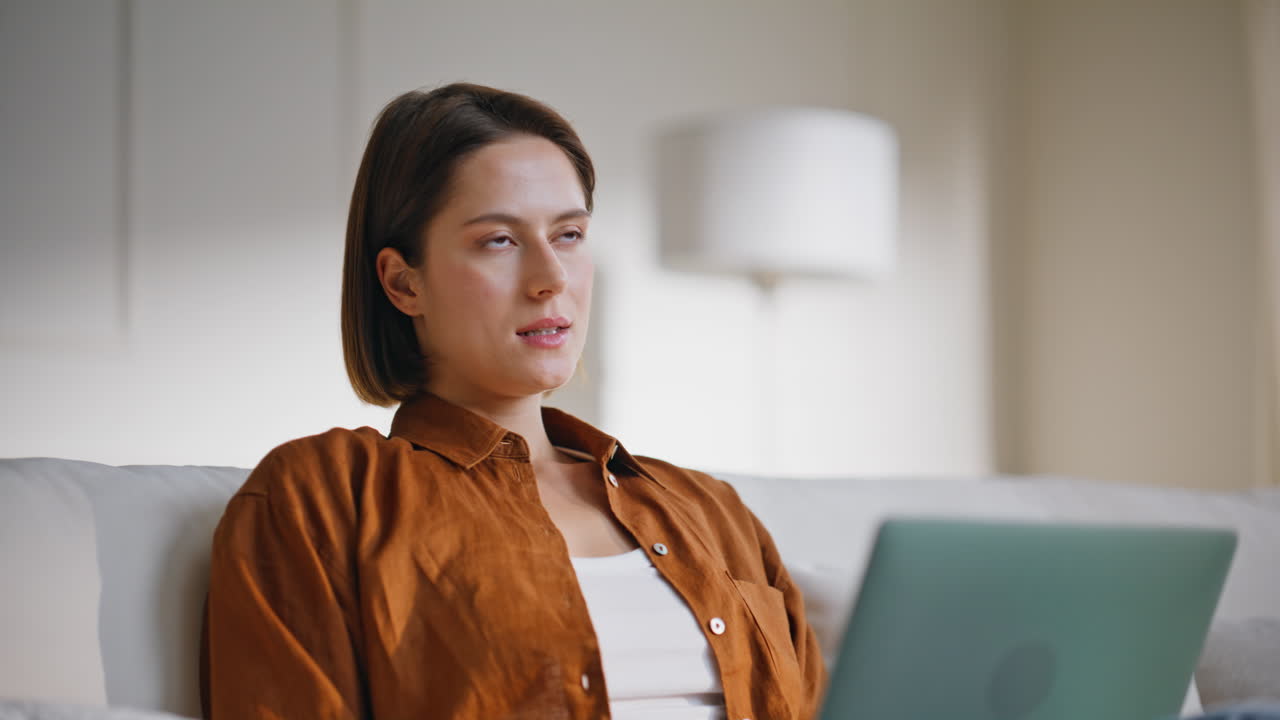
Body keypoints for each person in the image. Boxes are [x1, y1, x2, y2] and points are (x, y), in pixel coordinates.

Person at [200, 82, 826, 720]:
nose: (551, 278)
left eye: (570, 235)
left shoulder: (711, 511)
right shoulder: (325, 495)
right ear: (402, 282)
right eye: (499, 240)